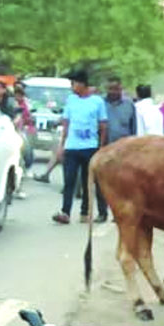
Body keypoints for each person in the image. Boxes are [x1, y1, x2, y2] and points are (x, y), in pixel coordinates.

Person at [51, 70, 109, 225]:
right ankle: (65, 212)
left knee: (88, 181)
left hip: (90, 146)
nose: (72, 86)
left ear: (82, 84)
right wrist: (62, 145)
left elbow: (103, 125)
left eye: (74, 83)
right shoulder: (71, 100)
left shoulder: (97, 102)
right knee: (69, 180)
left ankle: (86, 211)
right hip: (72, 147)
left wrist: (101, 147)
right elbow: (66, 123)